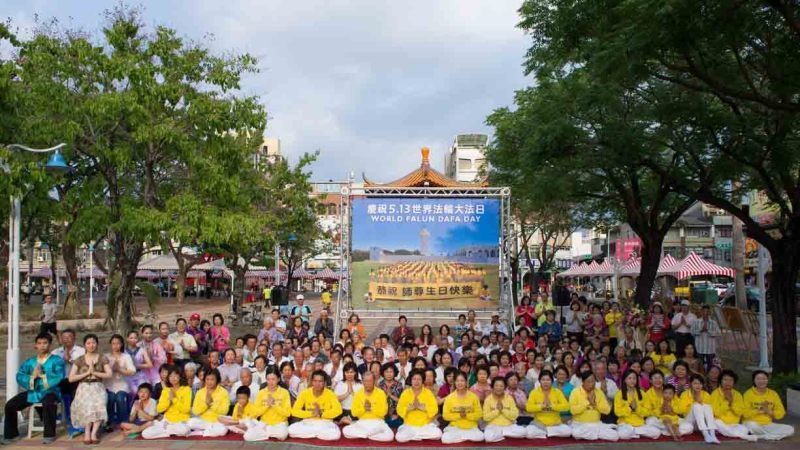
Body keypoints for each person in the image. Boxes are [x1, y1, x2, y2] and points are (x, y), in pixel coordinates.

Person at [3, 333, 65, 445]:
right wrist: (32, 377)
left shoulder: (57, 361)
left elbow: (59, 376)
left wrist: (41, 376)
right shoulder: (30, 362)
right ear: (36, 345)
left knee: (48, 403)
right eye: (39, 343)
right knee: (10, 405)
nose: (42, 346)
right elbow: (20, 375)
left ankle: (49, 435)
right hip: (34, 392)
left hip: (51, 392)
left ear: (50, 344)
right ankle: (11, 435)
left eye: (45, 343)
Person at [68, 334, 112, 445]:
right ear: (84, 345)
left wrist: (94, 372)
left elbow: (109, 374)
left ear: (97, 344)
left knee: (99, 407)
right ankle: (87, 432)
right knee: (87, 409)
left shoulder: (102, 358)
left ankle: (94, 433)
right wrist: (87, 373)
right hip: (84, 387)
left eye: (93, 342)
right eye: (88, 343)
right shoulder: (80, 360)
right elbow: (71, 378)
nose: (91, 345)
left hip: (97, 386)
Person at [288, 370, 343, 440]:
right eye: (315, 381)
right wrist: (311, 413)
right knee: (291, 430)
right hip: (308, 422)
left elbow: (338, 410)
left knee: (336, 435)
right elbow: (294, 411)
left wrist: (321, 414)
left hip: (325, 422)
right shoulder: (305, 393)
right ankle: (318, 434)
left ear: (324, 382)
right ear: (312, 382)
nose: (317, 384)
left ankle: (312, 434)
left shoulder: (330, 394)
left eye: (320, 381)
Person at [742, 370, 795, 440]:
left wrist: (770, 412)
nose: (761, 381)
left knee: (790, 429)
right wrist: (760, 411)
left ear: (767, 380)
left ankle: (762, 436)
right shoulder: (748, 394)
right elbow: (744, 413)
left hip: (767, 425)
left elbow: (781, 413)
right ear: (754, 380)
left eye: (764, 379)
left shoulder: (773, 394)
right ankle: (772, 436)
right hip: (752, 423)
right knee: (751, 425)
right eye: (758, 379)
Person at [142, 366, 193, 439]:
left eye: (175, 375)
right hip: (167, 420)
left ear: (180, 377)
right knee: (145, 434)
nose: (173, 378)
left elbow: (186, 409)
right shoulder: (166, 390)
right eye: (171, 376)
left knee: (184, 430)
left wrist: (174, 399)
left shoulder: (186, 389)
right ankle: (169, 431)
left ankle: (166, 430)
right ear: (168, 378)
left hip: (181, 421)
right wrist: (169, 400)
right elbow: (159, 409)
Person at [343, 372, 394, 442]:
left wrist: (371, 408)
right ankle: (370, 435)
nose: (368, 383)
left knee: (390, 436)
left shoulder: (381, 393)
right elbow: (354, 413)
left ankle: (365, 435)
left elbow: (383, 413)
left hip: (378, 422)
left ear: (374, 381)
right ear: (363, 382)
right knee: (345, 431)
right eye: (366, 381)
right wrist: (364, 408)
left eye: (370, 381)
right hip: (362, 423)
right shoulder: (358, 394)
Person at [242, 369, 291, 441]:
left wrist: (274, 405)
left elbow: (287, 413)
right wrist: (267, 405)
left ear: (278, 379)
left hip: (280, 423)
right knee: (247, 436)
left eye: (273, 379)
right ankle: (270, 433)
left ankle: (265, 433)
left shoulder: (284, 392)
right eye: (268, 379)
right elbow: (256, 413)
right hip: (264, 423)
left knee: (283, 434)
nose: (270, 382)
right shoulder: (261, 392)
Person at [569, 371, 619, 441]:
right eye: (588, 382)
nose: (591, 384)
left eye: (593, 381)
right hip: (581, 424)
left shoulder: (599, 392)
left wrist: (595, 404)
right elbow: (573, 411)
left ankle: (592, 435)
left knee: (615, 436)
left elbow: (607, 410)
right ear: (583, 382)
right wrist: (587, 402)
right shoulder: (575, 392)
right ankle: (596, 434)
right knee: (575, 433)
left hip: (596, 424)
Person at [395, 369, 442, 442]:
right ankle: (419, 436)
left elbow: (435, 409)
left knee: (438, 434)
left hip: (425, 425)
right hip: (409, 425)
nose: (416, 382)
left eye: (419, 379)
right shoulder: (405, 393)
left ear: (423, 381)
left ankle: (414, 436)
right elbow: (399, 409)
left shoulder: (428, 393)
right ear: (411, 381)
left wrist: (424, 408)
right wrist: (408, 409)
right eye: (414, 379)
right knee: (399, 438)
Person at [709, 370, 757, 441]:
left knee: (744, 429)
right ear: (720, 381)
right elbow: (716, 413)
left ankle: (731, 433)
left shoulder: (738, 395)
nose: (728, 382)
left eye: (730, 380)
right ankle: (744, 436)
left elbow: (740, 413)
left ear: (734, 382)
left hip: (734, 425)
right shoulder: (715, 393)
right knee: (716, 422)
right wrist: (727, 402)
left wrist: (731, 403)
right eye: (725, 380)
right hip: (720, 423)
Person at [614, 370, 661, 439]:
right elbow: (617, 412)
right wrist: (630, 407)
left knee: (656, 433)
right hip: (625, 424)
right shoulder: (619, 394)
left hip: (640, 423)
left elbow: (647, 412)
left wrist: (637, 408)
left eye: (634, 378)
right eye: (629, 378)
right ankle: (638, 433)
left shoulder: (642, 393)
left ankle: (634, 433)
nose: (632, 380)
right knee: (622, 434)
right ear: (624, 380)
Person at [104, 334, 136, 432]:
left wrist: (119, 370)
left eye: (118, 343)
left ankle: (123, 421)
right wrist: (111, 369)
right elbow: (102, 370)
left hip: (122, 384)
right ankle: (109, 422)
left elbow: (132, 371)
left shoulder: (126, 356)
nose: (115, 346)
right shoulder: (106, 356)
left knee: (120, 398)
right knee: (110, 398)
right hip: (108, 384)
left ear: (122, 344)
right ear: (110, 344)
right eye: (113, 343)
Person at [525, 370, 572, 438]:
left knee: (568, 432)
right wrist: (541, 407)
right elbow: (528, 408)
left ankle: (545, 432)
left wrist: (552, 406)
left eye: (548, 380)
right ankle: (549, 432)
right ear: (539, 381)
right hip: (539, 423)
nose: (545, 382)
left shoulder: (557, 392)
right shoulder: (534, 392)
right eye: (543, 380)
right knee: (529, 433)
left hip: (555, 423)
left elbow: (566, 406)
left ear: (552, 381)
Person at [441, 372, 484, 444]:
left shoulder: (474, 397)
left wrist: (467, 415)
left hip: (471, 426)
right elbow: (445, 416)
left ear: (466, 382)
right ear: (454, 382)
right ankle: (465, 437)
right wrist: (459, 415)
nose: (459, 383)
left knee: (481, 437)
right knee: (445, 439)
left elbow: (479, 414)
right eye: (457, 381)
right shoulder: (449, 398)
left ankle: (461, 437)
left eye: (462, 380)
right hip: (455, 427)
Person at [482, 376, 527, 442]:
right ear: (493, 387)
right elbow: (485, 417)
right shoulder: (488, 399)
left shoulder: (509, 398)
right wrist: (497, 411)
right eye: (496, 385)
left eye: (501, 386)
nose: (498, 388)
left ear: (504, 387)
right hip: (493, 426)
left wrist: (503, 410)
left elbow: (515, 415)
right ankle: (505, 434)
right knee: (488, 438)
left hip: (509, 425)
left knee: (524, 432)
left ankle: (501, 434)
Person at [188, 369, 231, 437]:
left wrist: (211, 404)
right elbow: (195, 411)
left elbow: (224, 411)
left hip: (218, 421)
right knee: (190, 423)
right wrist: (206, 405)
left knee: (222, 430)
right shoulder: (200, 392)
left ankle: (202, 432)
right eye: (207, 379)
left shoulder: (224, 392)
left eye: (212, 379)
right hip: (203, 420)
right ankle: (210, 430)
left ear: (217, 380)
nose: (209, 382)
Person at [679, 374, 721, 444]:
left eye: (700, 384)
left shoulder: (706, 394)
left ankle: (712, 434)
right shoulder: (684, 394)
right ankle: (706, 434)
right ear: (690, 384)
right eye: (695, 383)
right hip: (690, 421)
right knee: (696, 406)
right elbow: (681, 410)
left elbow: (711, 412)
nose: (698, 386)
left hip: (703, 423)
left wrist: (701, 403)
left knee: (708, 406)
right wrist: (694, 401)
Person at [691, 305, 721, 372]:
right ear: (701, 312)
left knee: (710, 365)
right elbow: (692, 332)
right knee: (700, 365)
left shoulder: (713, 323)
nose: (705, 313)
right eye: (704, 311)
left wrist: (708, 331)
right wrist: (700, 330)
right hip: (699, 348)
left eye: (707, 311)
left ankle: (709, 377)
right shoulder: (696, 322)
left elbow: (718, 333)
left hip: (710, 348)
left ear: (709, 312)